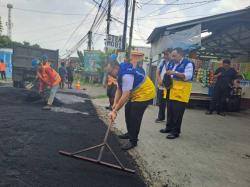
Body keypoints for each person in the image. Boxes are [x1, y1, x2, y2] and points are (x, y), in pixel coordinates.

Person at [108, 62, 156, 150]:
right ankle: (130, 133)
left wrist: (115, 111)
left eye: (110, 72)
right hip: (136, 92)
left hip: (146, 92)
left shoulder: (126, 76)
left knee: (135, 116)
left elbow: (125, 96)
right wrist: (115, 103)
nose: (110, 74)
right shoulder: (119, 73)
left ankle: (133, 141)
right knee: (128, 110)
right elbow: (119, 89)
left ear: (116, 68)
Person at [160, 48, 194, 139]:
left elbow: (187, 76)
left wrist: (174, 72)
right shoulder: (171, 63)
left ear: (180, 55)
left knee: (177, 113)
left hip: (181, 93)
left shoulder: (188, 63)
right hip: (170, 91)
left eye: (174, 56)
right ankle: (168, 128)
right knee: (170, 111)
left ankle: (175, 132)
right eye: (172, 56)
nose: (172, 58)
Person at [155, 50, 171, 123]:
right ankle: (161, 117)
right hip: (161, 85)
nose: (165, 56)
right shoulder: (162, 62)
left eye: (166, 54)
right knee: (161, 102)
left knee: (170, 104)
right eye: (164, 54)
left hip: (170, 86)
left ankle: (170, 120)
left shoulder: (173, 62)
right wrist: (159, 80)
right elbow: (157, 71)